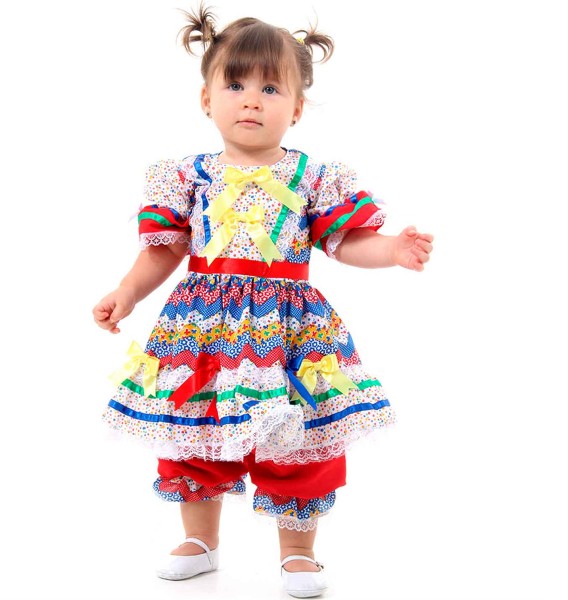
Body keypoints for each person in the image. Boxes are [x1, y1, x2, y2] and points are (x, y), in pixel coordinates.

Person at [93, 5, 433, 598]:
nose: (251, 100)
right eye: (235, 85)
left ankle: (298, 550)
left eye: (271, 88)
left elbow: (344, 242)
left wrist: (391, 249)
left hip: (288, 331)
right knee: (194, 426)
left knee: (296, 437)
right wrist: (127, 291)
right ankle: (201, 540)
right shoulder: (189, 178)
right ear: (207, 99)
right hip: (202, 331)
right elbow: (164, 251)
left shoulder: (311, 178)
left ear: (296, 108)